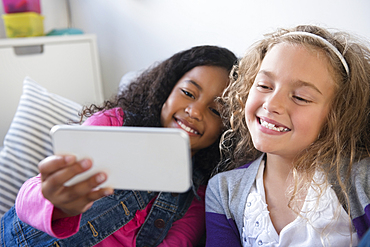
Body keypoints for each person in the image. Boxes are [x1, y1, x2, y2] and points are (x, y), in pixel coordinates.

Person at [0, 45, 237, 247]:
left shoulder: (199, 196)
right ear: (167, 90)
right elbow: (33, 192)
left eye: (216, 110)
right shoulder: (115, 123)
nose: (194, 111)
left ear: (226, 127)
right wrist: (55, 200)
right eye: (188, 93)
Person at [205, 25, 370, 247]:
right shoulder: (223, 191)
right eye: (264, 85)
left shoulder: (361, 179)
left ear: (337, 115)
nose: (272, 104)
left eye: (301, 97)